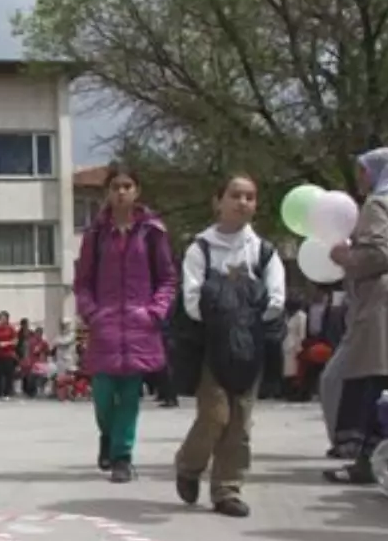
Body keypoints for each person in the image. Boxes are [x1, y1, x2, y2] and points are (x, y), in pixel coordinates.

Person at [173, 174, 286, 517]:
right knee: (214, 415)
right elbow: (191, 299)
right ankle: (189, 465)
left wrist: (242, 315)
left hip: (250, 346)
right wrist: (226, 315)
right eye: (235, 195)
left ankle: (227, 489)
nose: (242, 202)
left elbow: (276, 300)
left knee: (241, 421)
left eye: (250, 197)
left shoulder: (264, 252)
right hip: (212, 347)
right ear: (218, 201)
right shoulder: (200, 249)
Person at [74, 163, 177, 481]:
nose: (121, 192)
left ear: (137, 191)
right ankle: (108, 436)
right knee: (103, 395)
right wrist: (92, 313)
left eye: (127, 186)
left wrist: (154, 312)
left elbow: (167, 279)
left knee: (130, 396)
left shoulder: (152, 233)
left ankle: (122, 456)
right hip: (105, 326)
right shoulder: (95, 234)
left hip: (138, 326)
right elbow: (83, 281)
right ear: (107, 192)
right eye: (115, 186)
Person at [324, 148, 388, 484]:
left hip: (380, 305)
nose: (360, 179)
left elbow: (380, 253)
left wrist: (345, 256)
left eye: (363, 171)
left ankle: (366, 459)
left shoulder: (379, 205)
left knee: (372, 382)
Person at [282, 299, 308, 400]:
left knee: (297, 370)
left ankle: (297, 393)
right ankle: (289, 392)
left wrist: (300, 347)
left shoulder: (301, 316)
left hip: (296, 345)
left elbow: (302, 333)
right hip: (287, 343)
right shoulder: (287, 316)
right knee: (288, 370)